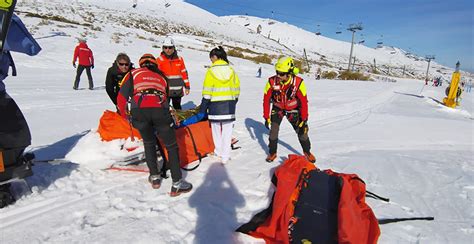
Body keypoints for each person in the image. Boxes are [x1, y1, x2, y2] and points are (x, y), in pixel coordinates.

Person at [117, 53, 192, 196]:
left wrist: (126, 117)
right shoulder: (162, 77)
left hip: (139, 112)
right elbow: (166, 98)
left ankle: (155, 177)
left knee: (149, 143)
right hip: (160, 111)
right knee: (171, 146)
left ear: (141, 64)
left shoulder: (134, 73)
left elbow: (121, 98)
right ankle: (177, 183)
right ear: (154, 64)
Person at [263, 56, 316, 163]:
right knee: (273, 132)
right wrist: (266, 116)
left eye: (281, 74)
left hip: (293, 110)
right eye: (277, 72)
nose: (278, 75)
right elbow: (266, 99)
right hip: (277, 108)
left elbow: (304, 102)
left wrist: (304, 118)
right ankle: (272, 153)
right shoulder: (271, 81)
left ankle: (307, 152)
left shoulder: (298, 83)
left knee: (302, 132)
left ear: (289, 73)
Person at [198, 46, 240, 164]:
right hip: (229, 105)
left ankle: (218, 152)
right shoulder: (231, 71)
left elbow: (207, 91)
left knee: (216, 131)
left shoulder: (211, 71)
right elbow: (237, 89)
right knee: (227, 132)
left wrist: (203, 108)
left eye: (211, 57)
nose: (211, 60)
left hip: (215, 106)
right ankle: (225, 156)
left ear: (215, 57)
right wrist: (233, 101)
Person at [156, 37, 190, 110]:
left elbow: (184, 73)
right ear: (163, 48)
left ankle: (178, 121)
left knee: (177, 109)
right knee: (164, 109)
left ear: (174, 48)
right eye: (165, 47)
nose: (168, 50)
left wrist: (187, 86)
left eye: (170, 47)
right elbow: (156, 77)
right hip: (165, 91)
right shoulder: (159, 60)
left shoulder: (180, 59)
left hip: (177, 92)